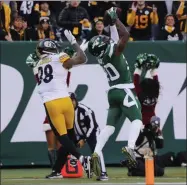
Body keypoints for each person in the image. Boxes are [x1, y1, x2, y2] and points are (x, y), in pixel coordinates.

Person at [27, 30, 91, 178]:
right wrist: (75, 43)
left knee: (63, 138)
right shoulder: (60, 57)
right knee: (70, 138)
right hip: (66, 101)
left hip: (51, 102)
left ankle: (82, 159)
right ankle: (57, 171)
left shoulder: (38, 64)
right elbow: (82, 58)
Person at [88, 7, 143, 176]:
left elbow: (114, 38)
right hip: (124, 89)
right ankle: (131, 147)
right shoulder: (114, 51)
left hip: (112, 92)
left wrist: (112, 23)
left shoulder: (101, 56)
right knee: (137, 119)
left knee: (109, 127)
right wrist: (117, 20)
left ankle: (96, 151)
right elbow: (125, 35)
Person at [69, 92, 108, 181]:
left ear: (75, 100)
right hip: (77, 134)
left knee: (96, 149)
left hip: (92, 132)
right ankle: (59, 170)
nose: (71, 102)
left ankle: (103, 172)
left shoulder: (84, 110)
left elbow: (92, 125)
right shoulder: (67, 111)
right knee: (67, 146)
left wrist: (85, 139)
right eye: (69, 101)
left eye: (72, 100)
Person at [133, 53, 160, 126]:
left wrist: (138, 68)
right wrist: (153, 69)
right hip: (153, 123)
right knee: (158, 136)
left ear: (142, 87)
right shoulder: (155, 95)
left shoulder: (140, 95)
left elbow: (135, 82)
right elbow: (156, 83)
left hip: (142, 123)